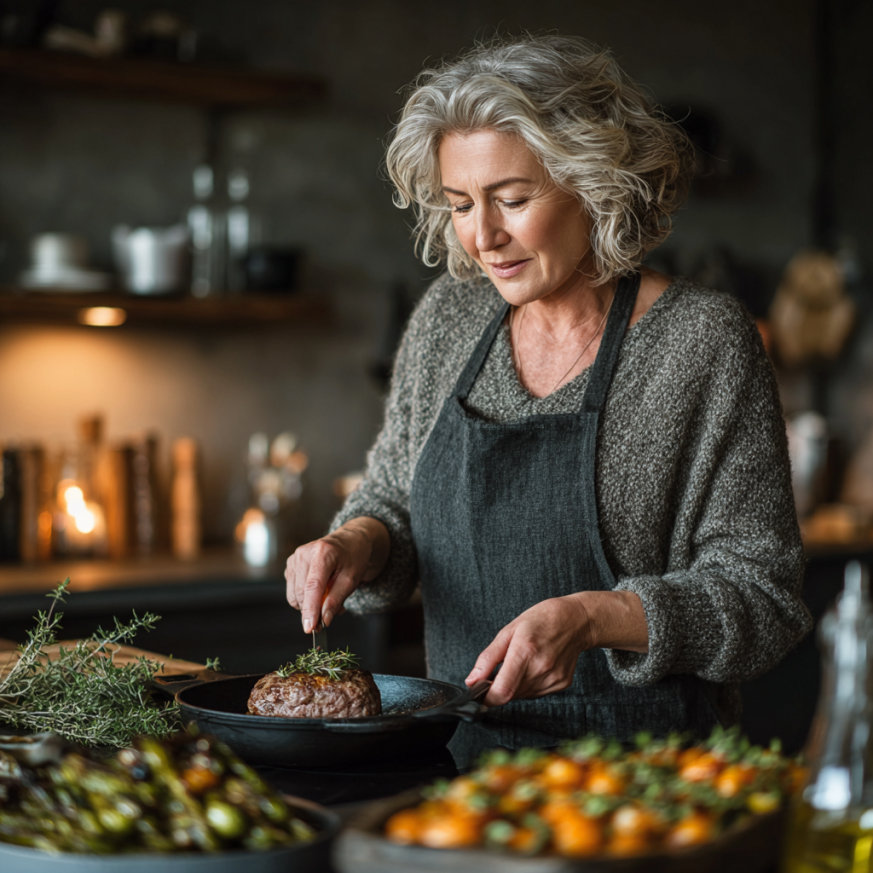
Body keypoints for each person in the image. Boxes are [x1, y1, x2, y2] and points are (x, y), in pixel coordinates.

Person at [285, 34, 811, 762]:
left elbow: (763, 599)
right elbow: (393, 500)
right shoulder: (449, 317)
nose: (482, 237)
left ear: (596, 183)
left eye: (511, 199)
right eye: (460, 203)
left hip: (646, 785)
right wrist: (353, 542)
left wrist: (595, 617)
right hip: (462, 770)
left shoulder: (700, 342)